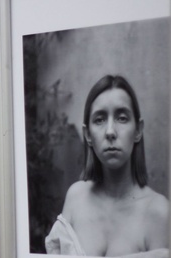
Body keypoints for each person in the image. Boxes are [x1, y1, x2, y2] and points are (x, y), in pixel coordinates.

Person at [45, 75, 169, 257]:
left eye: (122, 118)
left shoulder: (159, 212)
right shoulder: (76, 198)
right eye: (99, 120)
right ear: (87, 134)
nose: (110, 132)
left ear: (138, 130)